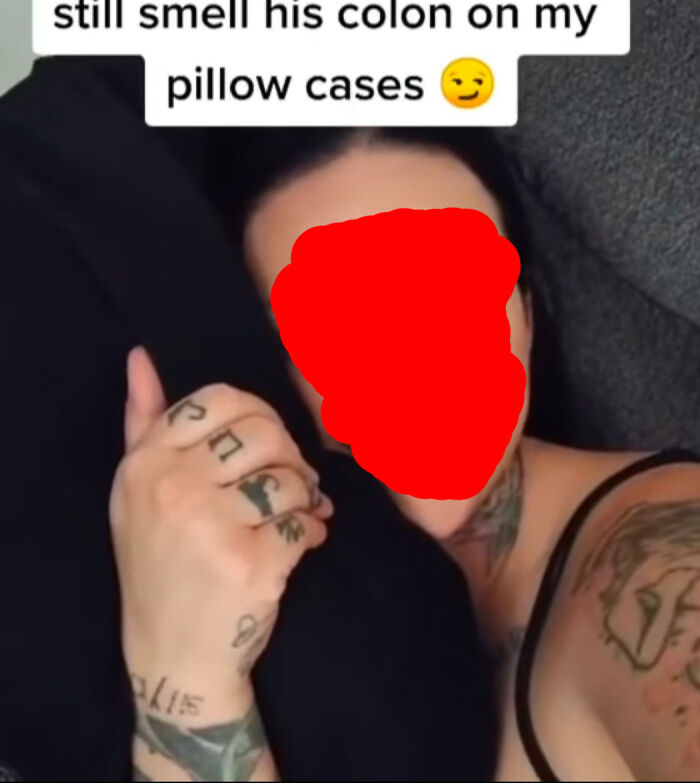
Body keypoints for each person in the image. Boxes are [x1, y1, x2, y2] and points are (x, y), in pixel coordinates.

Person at [113, 127, 700, 782]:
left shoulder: (662, 569)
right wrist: (181, 671)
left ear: (526, 312)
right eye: (338, 323)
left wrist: (182, 704)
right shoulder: (276, 605)